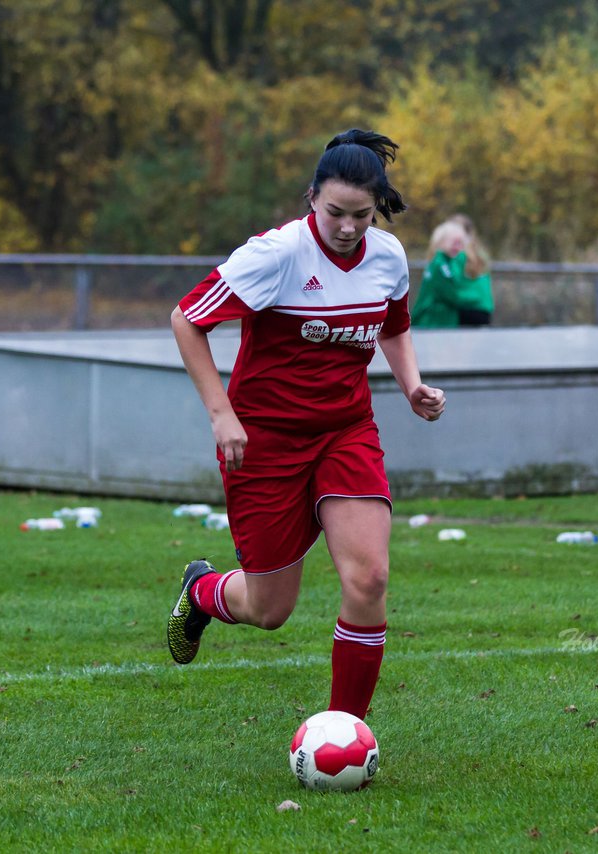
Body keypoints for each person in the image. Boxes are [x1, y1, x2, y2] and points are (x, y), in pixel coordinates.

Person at [166, 129, 446, 721]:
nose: (348, 228)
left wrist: (412, 384)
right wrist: (223, 415)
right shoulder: (275, 255)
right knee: (269, 610)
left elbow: (392, 324)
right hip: (263, 442)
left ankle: (346, 733)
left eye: (362, 216)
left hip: (346, 431)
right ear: (311, 196)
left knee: (369, 578)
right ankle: (201, 590)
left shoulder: (388, 256)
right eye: (335, 213)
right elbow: (186, 320)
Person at [411, 215, 494, 328]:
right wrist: (476, 299)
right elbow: (450, 293)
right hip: (434, 321)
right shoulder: (442, 264)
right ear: (443, 239)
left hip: (457, 315)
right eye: (455, 242)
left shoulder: (446, 261)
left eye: (460, 243)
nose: (459, 248)